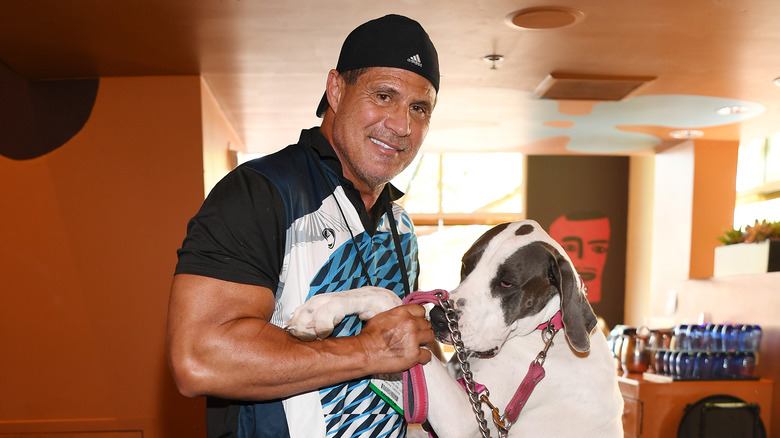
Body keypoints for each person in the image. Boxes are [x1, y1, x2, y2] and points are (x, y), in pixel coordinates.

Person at [166, 14, 440, 438]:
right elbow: (201, 359)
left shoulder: (399, 225)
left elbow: (402, 363)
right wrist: (368, 350)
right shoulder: (259, 193)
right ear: (336, 89)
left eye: (418, 108)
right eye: (384, 96)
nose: (402, 126)